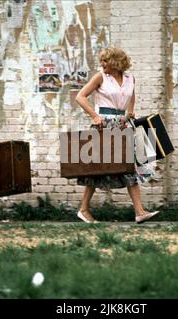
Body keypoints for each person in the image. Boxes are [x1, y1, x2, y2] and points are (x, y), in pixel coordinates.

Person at [75, 47, 160, 224]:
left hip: (123, 126)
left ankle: (140, 211)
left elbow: (131, 96)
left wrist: (130, 112)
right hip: (103, 126)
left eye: (105, 61)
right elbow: (80, 97)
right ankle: (83, 209)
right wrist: (95, 116)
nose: (102, 64)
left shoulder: (130, 79)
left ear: (116, 62)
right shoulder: (100, 77)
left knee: (131, 167)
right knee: (97, 169)